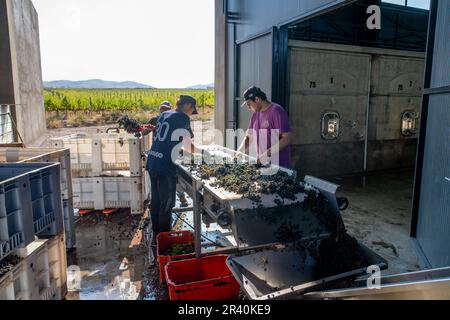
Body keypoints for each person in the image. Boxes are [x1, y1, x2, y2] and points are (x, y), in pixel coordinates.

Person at [146, 95, 206, 237]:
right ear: (188, 105)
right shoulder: (182, 117)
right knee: (166, 205)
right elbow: (187, 145)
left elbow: (168, 140)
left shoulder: (165, 114)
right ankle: (165, 237)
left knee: (156, 202)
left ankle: (156, 235)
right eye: (192, 110)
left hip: (153, 161)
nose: (191, 113)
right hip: (165, 166)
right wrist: (202, 153)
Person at [237, 86, 293, 168]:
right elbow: (249, 137)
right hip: (264, 165)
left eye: (249, 104)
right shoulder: (256, 114)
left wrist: (266, 154)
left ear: (257, 99)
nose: (248, 107)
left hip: (279, 166)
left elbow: (287, 138)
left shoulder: (277, 111)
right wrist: (240, 151)